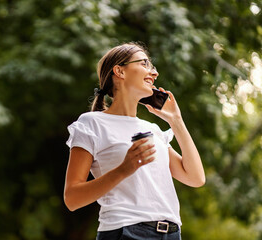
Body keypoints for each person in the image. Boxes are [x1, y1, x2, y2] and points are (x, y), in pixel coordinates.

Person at [63, 42, 205, 240]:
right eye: (145, 64)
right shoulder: (92, 123)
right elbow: (72, 198)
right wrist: (124, 169)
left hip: (171, 233)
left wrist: (176, 121)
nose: (154, 73)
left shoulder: (152, 130)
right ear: (119, 71)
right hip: (125, 232)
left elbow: (195, 177)